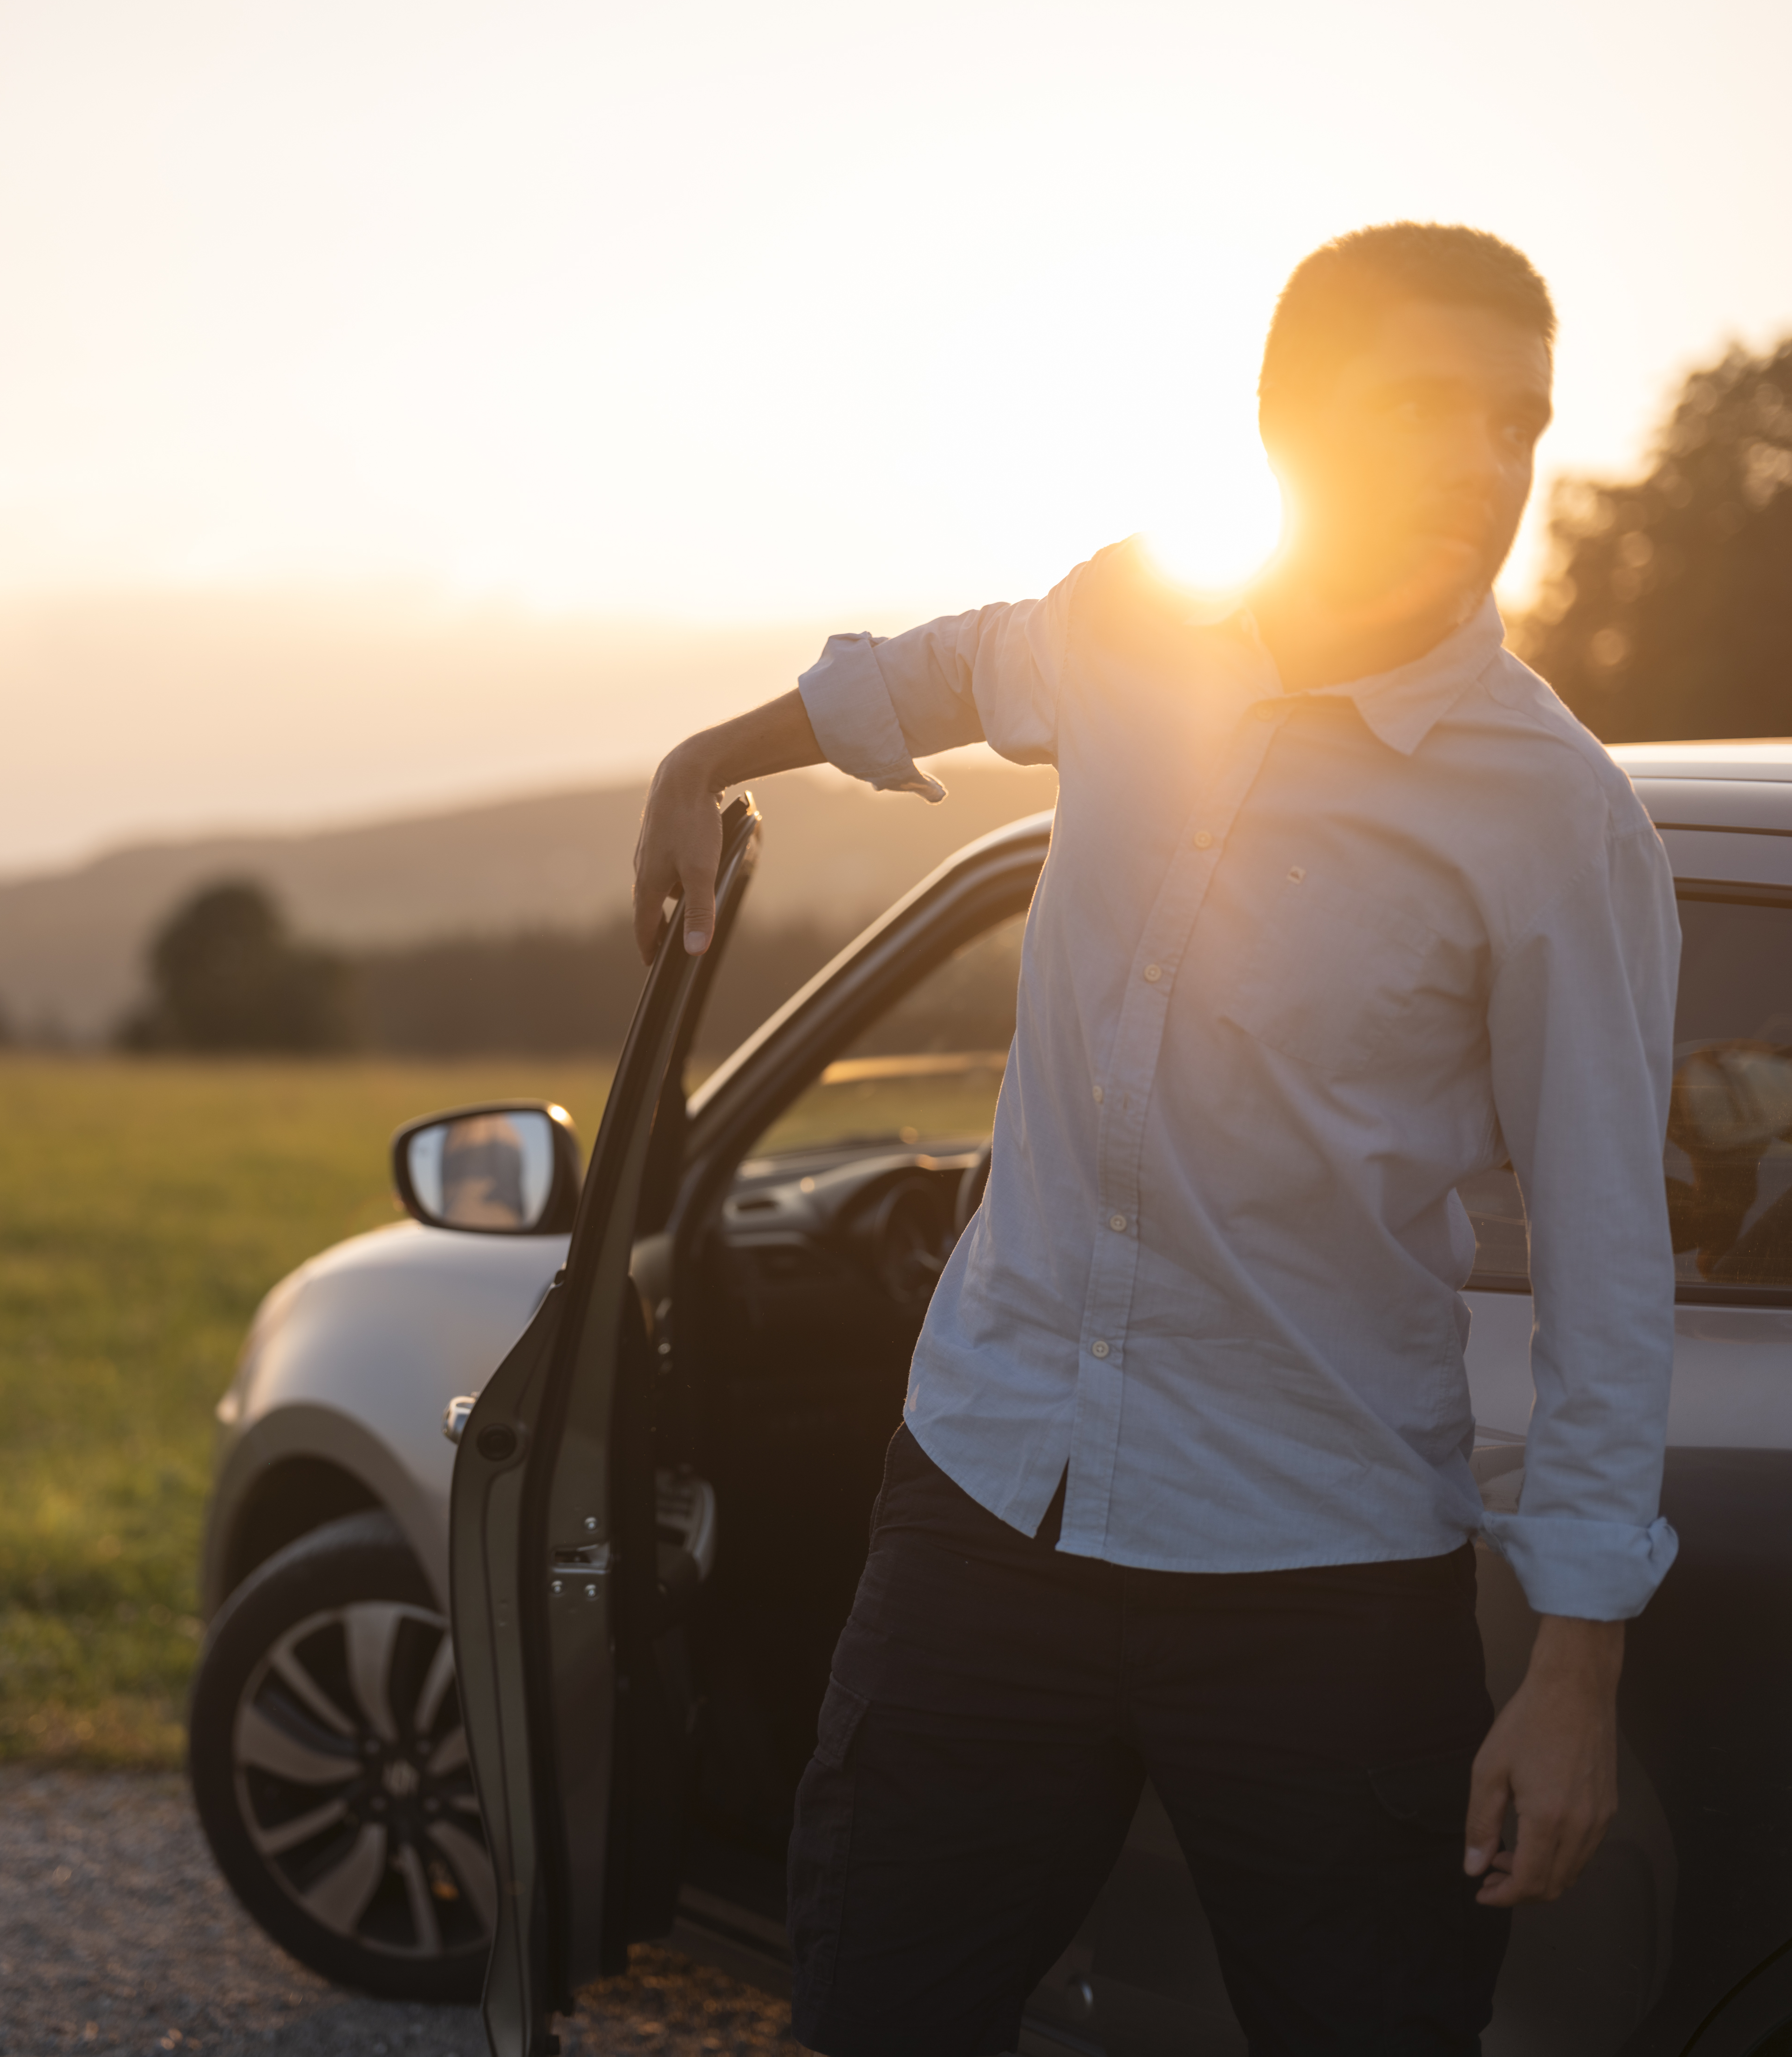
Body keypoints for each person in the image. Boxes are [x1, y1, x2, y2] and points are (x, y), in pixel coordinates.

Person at [629, 224, 1680, 2055]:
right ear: (1279, 428)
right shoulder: (1136, 621)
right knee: (872, 2024)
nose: (1479, 462)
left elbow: (1608, 1263)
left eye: (1516, 421)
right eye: (1419, 405)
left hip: (1323, 1577)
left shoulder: (1553, 819)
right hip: (984, 1502)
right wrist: (698, 762)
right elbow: (940, 672)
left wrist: (1575, 1676)